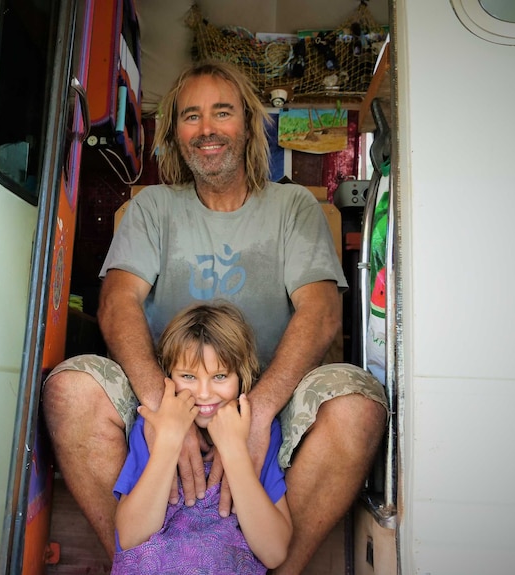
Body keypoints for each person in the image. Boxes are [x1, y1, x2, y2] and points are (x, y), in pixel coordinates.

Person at [43, 59, 388, 573]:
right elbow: (117, 304)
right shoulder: (152, 207)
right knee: (68, 388)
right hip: (166, 391)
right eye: (191, 116)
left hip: (269, 395)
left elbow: (321, 313)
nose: (206, 129)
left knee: (360, 404)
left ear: (248, 125)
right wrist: (164, 414)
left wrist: (260, 414)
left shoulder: (292, 206)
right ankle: (137, 563)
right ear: (176, 132)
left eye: (222, 113)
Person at [112, 301, 291, 573]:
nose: (204, 393)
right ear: (168, 375)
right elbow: (130, 537)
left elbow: (274, 552)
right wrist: (168, 441)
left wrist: (234, 451)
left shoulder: (260, 431)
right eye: (188, 376)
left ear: (242, 376)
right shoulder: (152, 425)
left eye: (220, 376)